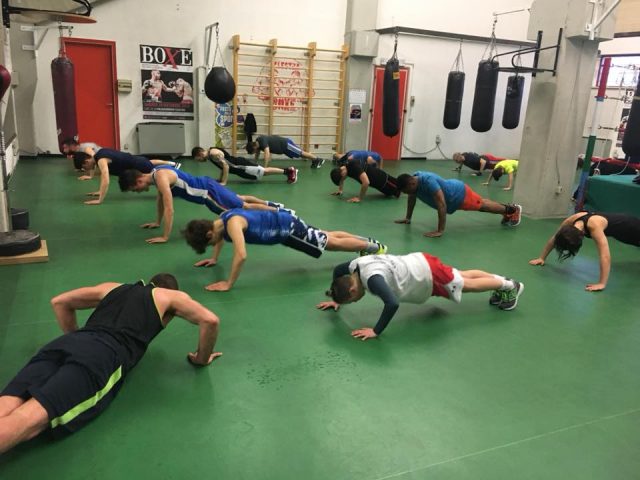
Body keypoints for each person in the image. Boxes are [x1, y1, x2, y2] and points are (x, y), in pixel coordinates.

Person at [0, 273, 221, 454]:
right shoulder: (171, 297)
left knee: (10, 400)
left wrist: (78, 342)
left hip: (67, 343)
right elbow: (210, 320)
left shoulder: (113, 287)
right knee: (26, 421)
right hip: (104, 354)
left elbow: (59, 301)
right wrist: (201, 359)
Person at [316, 252, 524, 340]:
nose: (356, 301)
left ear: (352, 290)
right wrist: (336, 300)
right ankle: (500, 279)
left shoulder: (372, 280)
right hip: (419, 263)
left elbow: (392, 304)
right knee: (461, 275)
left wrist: (375, 330)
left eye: (352, 300)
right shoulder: (354, 267)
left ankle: (510, 286)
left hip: (426, 275)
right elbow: (337, 270)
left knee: (465, 284)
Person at [182, 210, 387, 291]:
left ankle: (374, 247)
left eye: (209, 244)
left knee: (330, 243)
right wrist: (214, 258)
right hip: (285, 225)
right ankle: (368, 242)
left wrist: (228, 283)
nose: (213, 244)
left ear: (209, 234)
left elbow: (241, 254)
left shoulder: (232, 224)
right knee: (327, 235)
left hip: (288, 231)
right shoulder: (220, 222)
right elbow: (219, 240)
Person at [119, 165, 289, 244]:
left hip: (209, 194)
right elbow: (160, 201)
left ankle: (280, 214)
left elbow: (169, 208)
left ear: (139, 180)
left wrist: (165, 236)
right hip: (207, 185)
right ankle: (277, 209)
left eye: (135, 189)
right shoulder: (157, 172)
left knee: (242, 209)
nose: (137, 192)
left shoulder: (161, 178)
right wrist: (157, 221)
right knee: (240, 199)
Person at [529, 211, 640, 291]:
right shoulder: (570, 222)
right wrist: (542, 258)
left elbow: (605, 255)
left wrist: (602, 283)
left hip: (630, 227)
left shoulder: (594, 227)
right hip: (620, 231)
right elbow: (554, 238)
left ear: (582, 237)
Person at [394, 171, 522, 236]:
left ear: (411, 183)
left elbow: (441, 204)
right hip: (454, 193)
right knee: (481, 202)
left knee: (481, 206)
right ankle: (507, 209)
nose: (406, 193)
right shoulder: (412, 183)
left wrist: (440, 230)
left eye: (406, 190)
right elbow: (411, 198)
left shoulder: (428, 181)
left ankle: (512, 210)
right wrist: (408, 218)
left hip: (459, 195)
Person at [73, 149, 180, 205]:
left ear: (86, 161)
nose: (86, 170)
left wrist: (100, 199)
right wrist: (99, 190)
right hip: (137, 160)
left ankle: (176, 179)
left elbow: (105, 177)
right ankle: (172, 165)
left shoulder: (101, 160)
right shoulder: (99, 153)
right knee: (151, 164)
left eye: (84, 168)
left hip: (139, 166)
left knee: (158, 177)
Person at [192, 146, 298, 185]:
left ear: (199, 154)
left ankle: (288, 171)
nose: (199, 161)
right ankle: (287, 171)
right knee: (263, 172)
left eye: (198, 159)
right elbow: (222, 166)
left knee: (264, 172)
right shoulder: (211, 154)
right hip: (240, 168)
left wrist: (224, 182)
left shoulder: (213, 154)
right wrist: (220, 179)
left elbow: (226, 166)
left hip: (242, 166)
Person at [330, 160, 400, 202]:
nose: (343, 181)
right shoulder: (343, 168)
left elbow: (366, 182)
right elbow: (341, 180)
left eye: (342, 179)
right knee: (390, 194)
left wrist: (359, 198)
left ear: (342, 173)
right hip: (377, 184)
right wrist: (340, 190)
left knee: (400, 188)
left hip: (383, 180)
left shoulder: (353, 166)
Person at [246, 135, 325, 169]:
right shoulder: (258, 143)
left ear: (254, 147)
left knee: (301, 153)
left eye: (253, 151)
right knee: (299, 155)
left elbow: (267, 153)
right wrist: (254, 163)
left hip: (286, 144)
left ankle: (318, 159)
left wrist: (265, 168)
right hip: (284, 149)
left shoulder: (262, 141)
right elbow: (257, 153)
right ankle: (314, 160)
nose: (255, 152)